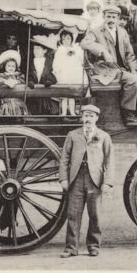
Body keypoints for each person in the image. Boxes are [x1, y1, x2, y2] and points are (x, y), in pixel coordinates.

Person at [80, 5, 137, 126]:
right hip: (107, 69)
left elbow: (129, 54)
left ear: (117, 18)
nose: (111, 19)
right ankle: (128, 113)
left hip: (123, 69)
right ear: (103, 17)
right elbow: (85, 43)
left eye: (113, 17)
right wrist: (102, 51)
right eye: (108, 16)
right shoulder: (95, 31)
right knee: (133, 80)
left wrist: (133, 69)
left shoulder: (122, 32)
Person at [58, 104, 114, 258]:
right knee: (73, 215)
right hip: (76, 178)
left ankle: (94, 246)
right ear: (81, 118)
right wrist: (63, 178)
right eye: (86, 116)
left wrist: (107, 182)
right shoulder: (73, 135)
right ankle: (71, 248)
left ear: (96, 118)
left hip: (95, 180)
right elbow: (64, 158)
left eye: (91, 116)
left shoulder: (104, 136)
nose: (88, 119)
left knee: (95, 215)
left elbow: (109, 161)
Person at [53, 27, 86, 116]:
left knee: (71, 94)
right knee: (64, 94)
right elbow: (56, 62)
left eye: (68, 38)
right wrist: (57, 70)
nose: (65, 41)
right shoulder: (60, 50)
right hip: (63, 73)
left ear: (71, 39)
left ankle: (72, 111)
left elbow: (80, 60)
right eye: (63, 39)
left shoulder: (76, 49)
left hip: (73, 73)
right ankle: (63, 112)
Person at [26, 34, 60, 115]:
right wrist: (30, 80)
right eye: (34, 49)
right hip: (34, 92)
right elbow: (29, 73)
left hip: (46, 93)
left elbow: (54, 73)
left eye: (38, 49)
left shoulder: (50, 62)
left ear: (44, 50)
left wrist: (49, 80)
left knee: (47, 108)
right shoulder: (30, 61)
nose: (35, 51)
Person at [0, 50, 29, 116]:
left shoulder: (18, 75)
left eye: (13, 66)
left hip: (16, 99)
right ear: (4, 66)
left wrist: (17, 81)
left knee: (18, 110)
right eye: (9, 66)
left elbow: (23, 81)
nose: (11, 68)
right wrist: (4, 81)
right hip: (6, 100)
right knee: (6, 111)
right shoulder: (1, 76)